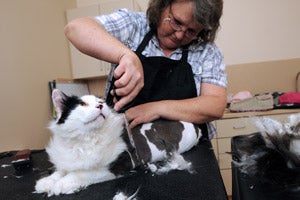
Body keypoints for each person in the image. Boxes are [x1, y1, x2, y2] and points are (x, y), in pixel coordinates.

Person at [64, 0, 227, 139]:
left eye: (191, 31)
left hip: (192, 155)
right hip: (124, 147)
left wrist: (156, 109)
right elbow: (75, 28)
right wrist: (126, 55)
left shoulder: (207, 52)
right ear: (163, 6)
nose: (179, 35)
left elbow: (215, 105)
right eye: (176, 22)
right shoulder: (134, 26)